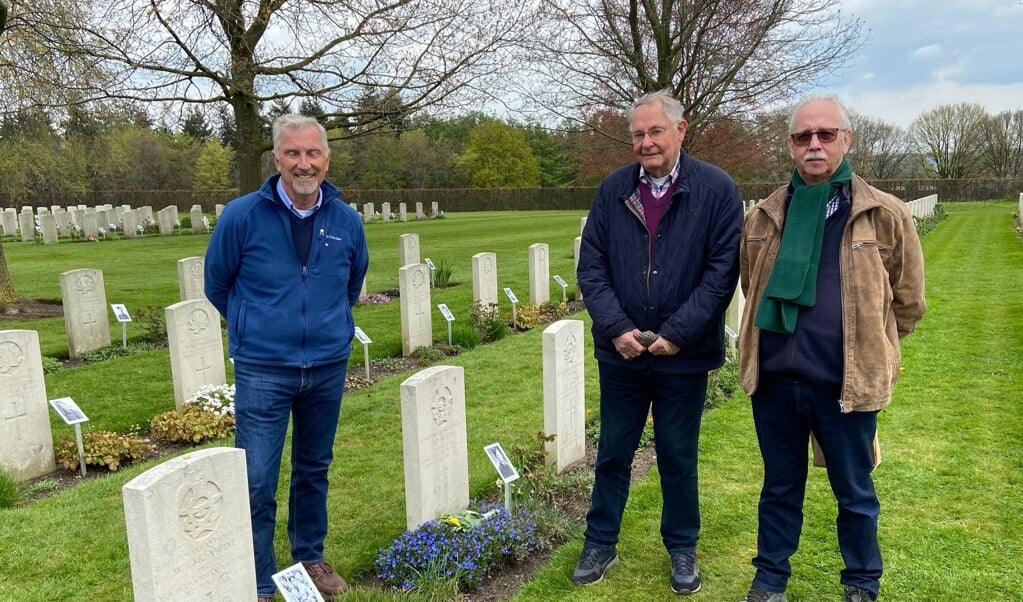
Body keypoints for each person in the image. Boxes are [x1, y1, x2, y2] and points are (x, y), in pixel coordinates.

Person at [737, 95, 926, 602]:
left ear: (846, 139)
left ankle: (862, 582)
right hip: (774, 382)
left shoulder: (884, 215)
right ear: (790, 146)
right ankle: (770, 578)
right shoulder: (763, 216)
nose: (814, 144)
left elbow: (907, 301)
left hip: (846, 385)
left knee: (855, 493)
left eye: (825, 134)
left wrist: (871, 349)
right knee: (779, 490)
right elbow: (749, 284)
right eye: (803, 136)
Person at [575, 90, 744, 595]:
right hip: (622, 352)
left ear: (680, 131)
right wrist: (617, 329)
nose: (646, 143)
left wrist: (676, 334)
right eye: (638, 134)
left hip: (682, 356)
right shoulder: (613, 190)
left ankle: (682, 547)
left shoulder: (715, 189)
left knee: (676, 453)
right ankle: (600, 542)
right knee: (613, 451)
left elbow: (721, 272)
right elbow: (593, 266)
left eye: (655, 132)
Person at [204, 113, 369, 602]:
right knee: (255, 478)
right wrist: (253, 322)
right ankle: (259, 579)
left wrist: (327, 326)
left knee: (314, 466)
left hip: (326, 363)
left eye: (312, 153)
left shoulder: (345, 221)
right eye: (292, 153)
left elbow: (351, 284)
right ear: (276, 159)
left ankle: (309, 555)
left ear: (326, 158)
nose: (304, 163)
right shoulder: (242, 216)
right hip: (263, 367)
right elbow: (218, 283)